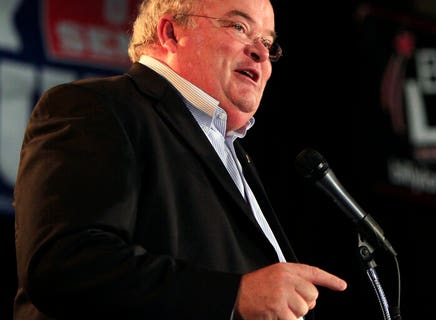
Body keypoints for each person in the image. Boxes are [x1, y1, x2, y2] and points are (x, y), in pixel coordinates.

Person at [12, 0, 347, 319]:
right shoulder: (96, 107)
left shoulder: (234, 152)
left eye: (267, 42)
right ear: (170, 33)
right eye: (239, 27)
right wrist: (234, 296)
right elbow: (64, 265)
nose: (260, 52)